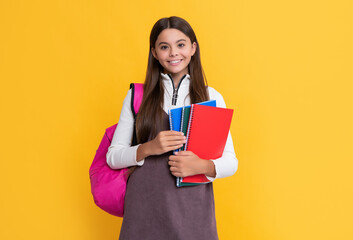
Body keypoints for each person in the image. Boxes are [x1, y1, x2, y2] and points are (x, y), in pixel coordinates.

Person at [106, 16, 238, 240]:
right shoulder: (137, 96)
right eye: (164, 47)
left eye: (181, 44)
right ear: (155, 53)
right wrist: (148, 148)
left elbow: (231, 162)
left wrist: (202, 165)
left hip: (193, 211)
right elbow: (113, 157)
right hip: (144, 210)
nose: (174, 53)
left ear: (193, 48)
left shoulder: (210, 97)